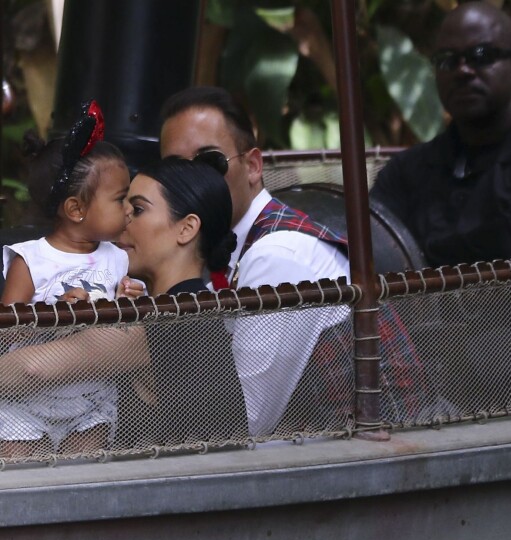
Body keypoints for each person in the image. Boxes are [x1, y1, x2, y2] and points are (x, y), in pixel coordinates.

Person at [159, 86, 427, 435]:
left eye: (209, 162)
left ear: (254, 167)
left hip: (370, 459)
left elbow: (240, 424)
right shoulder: (226, 241)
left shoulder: (276, 255)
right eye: (175, 170)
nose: (192, 184)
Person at [0, 156, 248, 454]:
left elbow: (30, 369)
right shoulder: (185, 305)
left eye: (138, 210)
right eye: (122, 206)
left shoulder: (172, 317)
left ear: (186, 229)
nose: (122, 221)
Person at [370, 1, 511, 268]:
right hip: (428, 312)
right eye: (447, 60)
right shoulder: (407, 170)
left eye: (481, 56)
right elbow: (370, 247)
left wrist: (416, 254)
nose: (463, 70)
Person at [0, 100, 142, 456]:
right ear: (76, 210)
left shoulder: (119, 257)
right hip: (26, 404)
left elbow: (122, 324)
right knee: (26, 487)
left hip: (92, 402)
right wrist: (52, 315)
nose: (129, 209)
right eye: (120, 199)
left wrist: (129, 300)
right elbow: (6, 330)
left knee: (83, 483)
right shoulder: (31, 260)